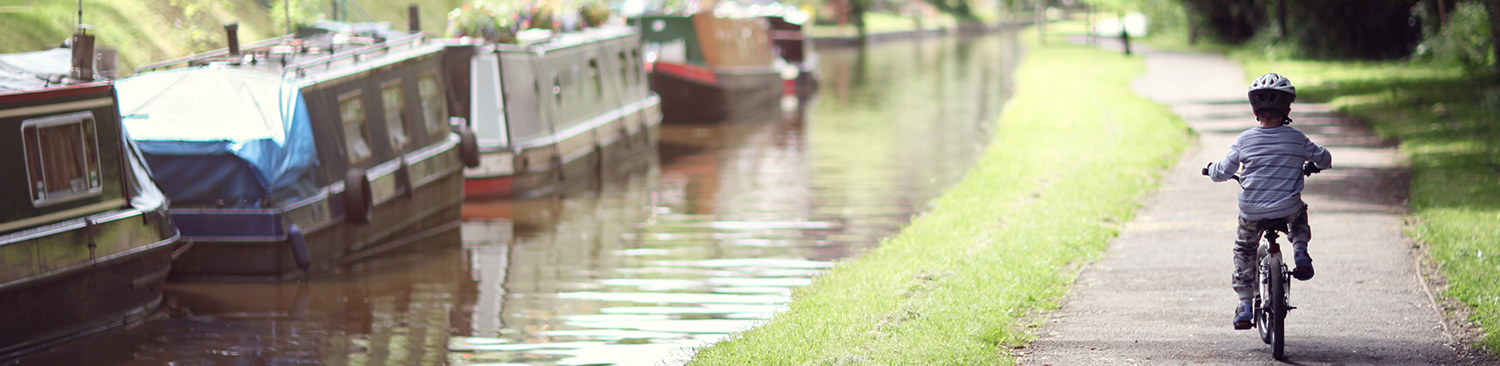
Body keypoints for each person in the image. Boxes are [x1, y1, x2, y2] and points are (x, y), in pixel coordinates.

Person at [1204, 73, 1332, 330]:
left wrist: (1210, 169)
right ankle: (1300, 252)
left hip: (1252, 212)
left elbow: (1223, 172)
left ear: (1254, 109)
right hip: (1286, 208)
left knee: (1244, 248)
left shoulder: (1244, 140)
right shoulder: (1297, 139)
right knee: (1298, 217)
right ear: (1288, 109)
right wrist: (1313, 164)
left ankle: (1245, 305)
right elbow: (1325, 159)